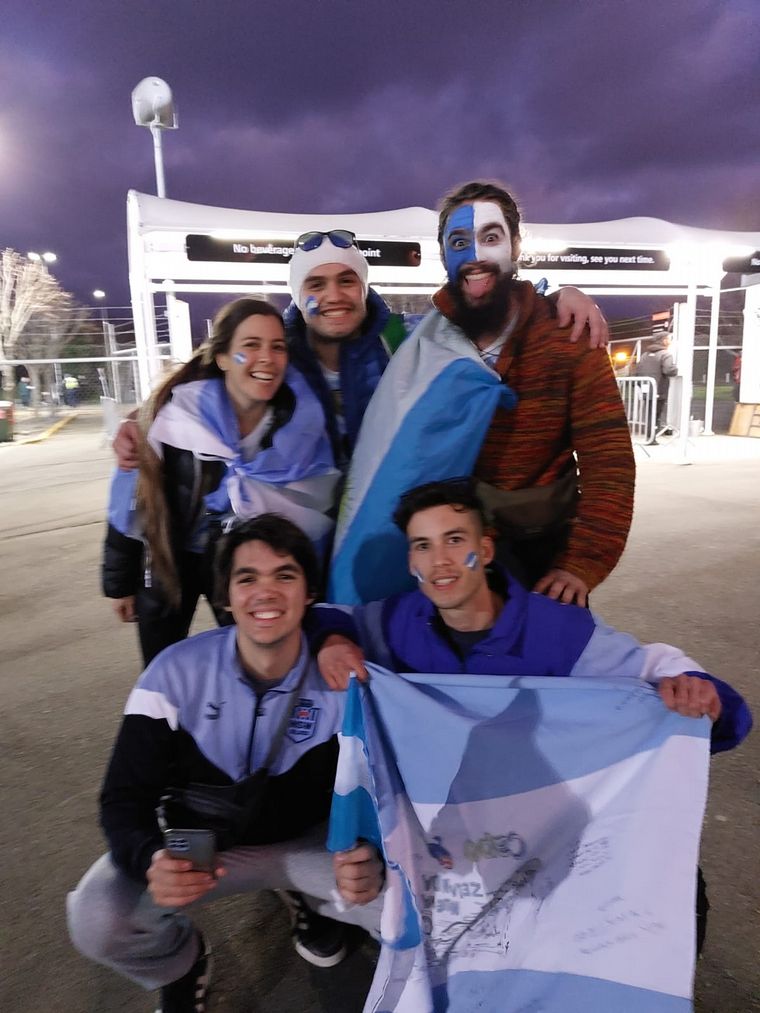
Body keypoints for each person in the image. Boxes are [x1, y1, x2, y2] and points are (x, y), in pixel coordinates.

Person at [312, 479, 752, 957]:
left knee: (677, 890)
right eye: (423, 545)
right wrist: (335, 641)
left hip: (550, 820)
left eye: (455, 540)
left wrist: (702, 695)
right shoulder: (398, 622)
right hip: (462, 836)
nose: (439, 561)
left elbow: (658, 670)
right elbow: (324, 617)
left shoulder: (557, 630)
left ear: (486, 547)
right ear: (411, 562)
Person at [69, 515, 384, 1012]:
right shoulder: (174, 673)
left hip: (313, 844)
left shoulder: (347, 676)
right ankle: (182, 963)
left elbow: (384, 791)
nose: (267, 592)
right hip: (202, 845)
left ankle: (310, 898)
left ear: (308, 595)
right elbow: (123, 798)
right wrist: (153, 858)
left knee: (406, 905)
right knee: (98, 917)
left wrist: (369, 854)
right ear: (224, 597)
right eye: (246, 578)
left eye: (285, 575)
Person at [342, 181, 635, 607]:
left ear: (516, 246)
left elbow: (609, 463)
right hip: (455, 559)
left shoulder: (568, 337)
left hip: (543, 555)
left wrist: (581, 563)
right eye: (459, 242)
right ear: (444, 255)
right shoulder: (422, 344)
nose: (475, 256)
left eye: (491, 238)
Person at [114, 232, 609, 471]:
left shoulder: (404, 339)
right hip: (303, 533)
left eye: (347, 280)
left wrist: (553, 295)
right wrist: (144, 417)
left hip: (386, 525)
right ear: (297, 293)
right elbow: (208, 381)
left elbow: (488, 317)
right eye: (317, 283)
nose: (334, 295)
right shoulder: (275, 354)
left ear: (363, 286)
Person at [103, 298, 339, 666]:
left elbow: (313, 514)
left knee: (255, 667)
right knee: (163, 671)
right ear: (222, 357)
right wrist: (119, 582)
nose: (267, 357)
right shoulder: (173, 420)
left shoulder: (302, 430)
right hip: (168, 561)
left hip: (243, 568)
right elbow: (130, 500)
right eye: (250, 345)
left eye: (277, 346)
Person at [635, 331, 678, 430]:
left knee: (650, 411)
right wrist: (675, 369)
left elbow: (638, 369)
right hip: (659, 388)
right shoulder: (666, 354)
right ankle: (652, 435)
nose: (671, 341)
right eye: (669, 339)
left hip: (646, 388)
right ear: (664, 341)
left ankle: (650, 434)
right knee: (656, 412)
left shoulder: (645, 355)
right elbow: (669, 370)